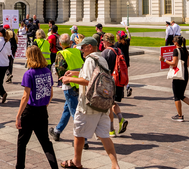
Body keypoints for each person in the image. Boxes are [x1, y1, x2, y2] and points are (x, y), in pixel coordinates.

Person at [60, 37, 120, 169]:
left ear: (90, 47)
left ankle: (76, 162)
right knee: (104, 136)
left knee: (79, 133)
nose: (81, 49)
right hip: (102, 103)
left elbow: (88, 81)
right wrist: (76, 73)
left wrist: (68, 78)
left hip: (89, 104)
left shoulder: (89, 60)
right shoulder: (100, 58)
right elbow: (95, 76)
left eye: (83, 47)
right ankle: (115, 165)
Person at [16, 46, 59, 169]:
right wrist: (44, 104)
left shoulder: (29, 73)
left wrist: (18, 115)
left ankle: (19, 167)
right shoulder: (47, 71)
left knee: (22, 142)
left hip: (30, 111)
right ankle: (54, 167)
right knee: (45, 142)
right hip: (42, 111)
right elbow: (51, 94)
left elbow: (25, 96)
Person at [49, 34, 86, 146]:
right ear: (70, 43)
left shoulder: (61, 54)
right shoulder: (77, 51)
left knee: (75, 113)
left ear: (60, 44)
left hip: (69, 85)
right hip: (79, 83)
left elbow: (60, 72)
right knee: (68, 108)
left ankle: (83, 139)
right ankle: (57, 131)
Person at [159, 35, 189, 122]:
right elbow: (187, 64)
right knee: (181, 95)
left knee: (176, 96)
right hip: (185, 74)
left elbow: (174, 63)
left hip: (178, 75)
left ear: (175, 42)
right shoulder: (186, 50)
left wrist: (164, 60)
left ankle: (180, 116)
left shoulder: (176, 50)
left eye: (173, 41)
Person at [101, 33, 130, 137]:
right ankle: (121, 118)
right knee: (113, 102)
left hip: (109, 82)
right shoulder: (118, 50)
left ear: (108, 41)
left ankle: (111, 129)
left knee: (108, 105)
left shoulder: (106, 52)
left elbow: (102, 68)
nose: (103, 42)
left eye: (104, 41)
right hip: (119, 81)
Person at [115, 28, 132, 97]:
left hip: (120, 61)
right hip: (126, 61)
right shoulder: (127, 42)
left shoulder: (117, 44)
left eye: (117, 35)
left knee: (120, 76)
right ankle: (127, 87)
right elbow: (130, 37)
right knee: (125, 75)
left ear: (119, 36)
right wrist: (127, 30)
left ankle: (121, 92)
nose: (116, 36)